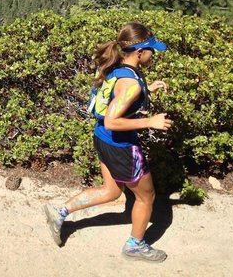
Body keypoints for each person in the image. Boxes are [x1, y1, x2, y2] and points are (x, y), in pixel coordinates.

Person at [44, 22, 172, 262]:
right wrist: (149, 122)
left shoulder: (116, 67)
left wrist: (148, 90)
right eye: (152, 49)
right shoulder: (131, 84)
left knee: (111, 190)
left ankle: (60, 212)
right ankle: (135, 245)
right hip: (122, 146)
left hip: (102, 138)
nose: (154, 54)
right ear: (140, 52)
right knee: (146, 197)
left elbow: (115, 97)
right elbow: (114, 120)